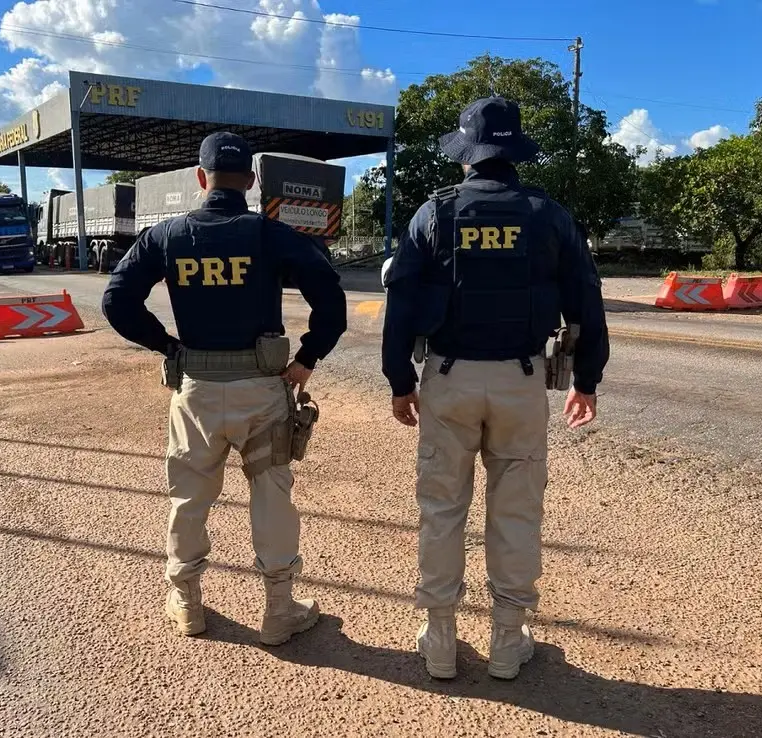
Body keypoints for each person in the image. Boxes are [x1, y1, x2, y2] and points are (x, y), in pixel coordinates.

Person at [381, 97, 609, 680]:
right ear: (515, 154)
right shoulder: (548, 215)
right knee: (516, 514)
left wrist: (400, 380)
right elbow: (587, 298)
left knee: (441, 510)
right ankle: (508, 642)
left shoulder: (433, 214)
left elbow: (401, 302)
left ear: (467, 155)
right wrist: (586, 379)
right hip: (521, 380)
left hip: (449, 379)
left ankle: (438, 640)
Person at [102, 132, 347, 645]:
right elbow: (331, 299)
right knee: (272, 495)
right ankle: (279, 609)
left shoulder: (167, 235)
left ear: (200, 178)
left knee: (189, 496)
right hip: (263, 390)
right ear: (252, 182)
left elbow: (116, 302)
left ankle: (187, 602)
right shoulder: (272, 234)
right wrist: (306, 357)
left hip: (196, 390)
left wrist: (166, 345)